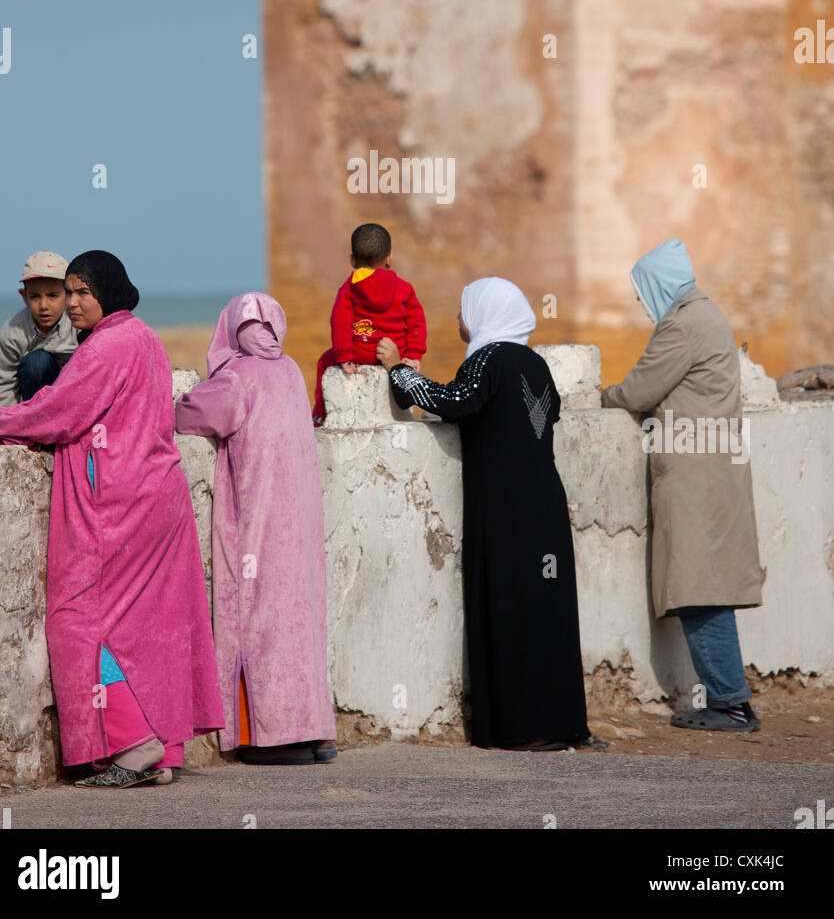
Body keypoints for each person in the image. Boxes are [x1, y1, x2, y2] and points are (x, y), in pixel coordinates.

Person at [0, 250, 224, 787]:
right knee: (145, 629)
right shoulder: (143, 337)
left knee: (78, 623)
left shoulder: (108, 346)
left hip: (116, 506)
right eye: (66, 292)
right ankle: (158, 748)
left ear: (107, 292)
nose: (70, 302)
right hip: (157, 497)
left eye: (81, 292)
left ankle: (134, 745)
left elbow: (59, 413)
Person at [378, 277, 591, 751]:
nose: (459, 320)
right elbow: (535, 418)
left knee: (509, 607)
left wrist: (399, 370)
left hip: (505, 506)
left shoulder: (489, 359)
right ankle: (559, 723)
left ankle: (519, 728)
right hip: (544, 504)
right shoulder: (535, 363)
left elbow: (456, 403)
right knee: (547, 613)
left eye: (462, 311)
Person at [601, 239, 764, 733]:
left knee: (699, 588)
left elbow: (638, 391)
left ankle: (730, 702)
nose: (637, 300)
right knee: (707, 583)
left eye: (640, 288)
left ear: (658, 283)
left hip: (696, 476)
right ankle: (731, 698)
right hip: (713, 470)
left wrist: (598, 394)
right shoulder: (707, 315)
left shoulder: (682, 323)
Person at [175, 292, 337, 765]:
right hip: (299, 525)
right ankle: (310, 731)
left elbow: (191, 415)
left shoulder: (236, 378)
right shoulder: (290, 371)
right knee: (298, 621)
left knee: (256, 620)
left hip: (259, 522)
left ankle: (269, 735)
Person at [312, 222, 426, 425]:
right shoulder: (404, 288)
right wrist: (413, 354)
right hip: (395, 352)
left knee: (324, 361)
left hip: (359, 352)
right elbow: (416, 321)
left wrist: (345, 356)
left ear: (352, 259)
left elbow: (340, 323)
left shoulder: (348, 289)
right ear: (389, 258)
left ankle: (320, 414)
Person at [0, 251, 78, 406]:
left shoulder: (79, 322)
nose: (43, 306)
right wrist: (4, 426)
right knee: (35, 363)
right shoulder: (12, 332)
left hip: (78, 400)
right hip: (40, 406)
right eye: (35, 296)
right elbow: (3, 388)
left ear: (68, 294)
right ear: (24, 296)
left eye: (53, 296)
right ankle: (39, 426)